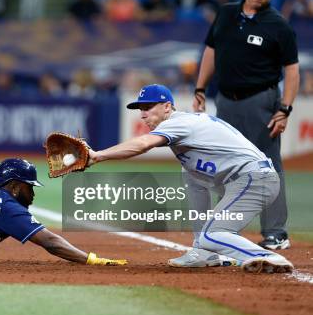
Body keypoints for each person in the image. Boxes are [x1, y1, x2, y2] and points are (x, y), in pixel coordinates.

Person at [87, 84, 294, 274]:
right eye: (140, 109)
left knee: (212, 235)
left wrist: (98, 155)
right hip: (242, 180)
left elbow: (142, 144)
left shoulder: (179, 124)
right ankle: (203, 252)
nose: (143, 114)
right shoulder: (187, 122)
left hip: (255, 180)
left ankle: (266, 256)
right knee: (189, 173)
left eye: (148, 107)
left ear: (167, 107)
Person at [192, 0, 300, 250]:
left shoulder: (279, 25)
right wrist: (200, 88)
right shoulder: (226, 13)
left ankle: (276, 232)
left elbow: (292, 70)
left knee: (268, 166)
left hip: (260, 101)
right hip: (226, 101)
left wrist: (285, 108)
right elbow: (211, 51)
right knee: (225, 166)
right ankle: (225, 229)